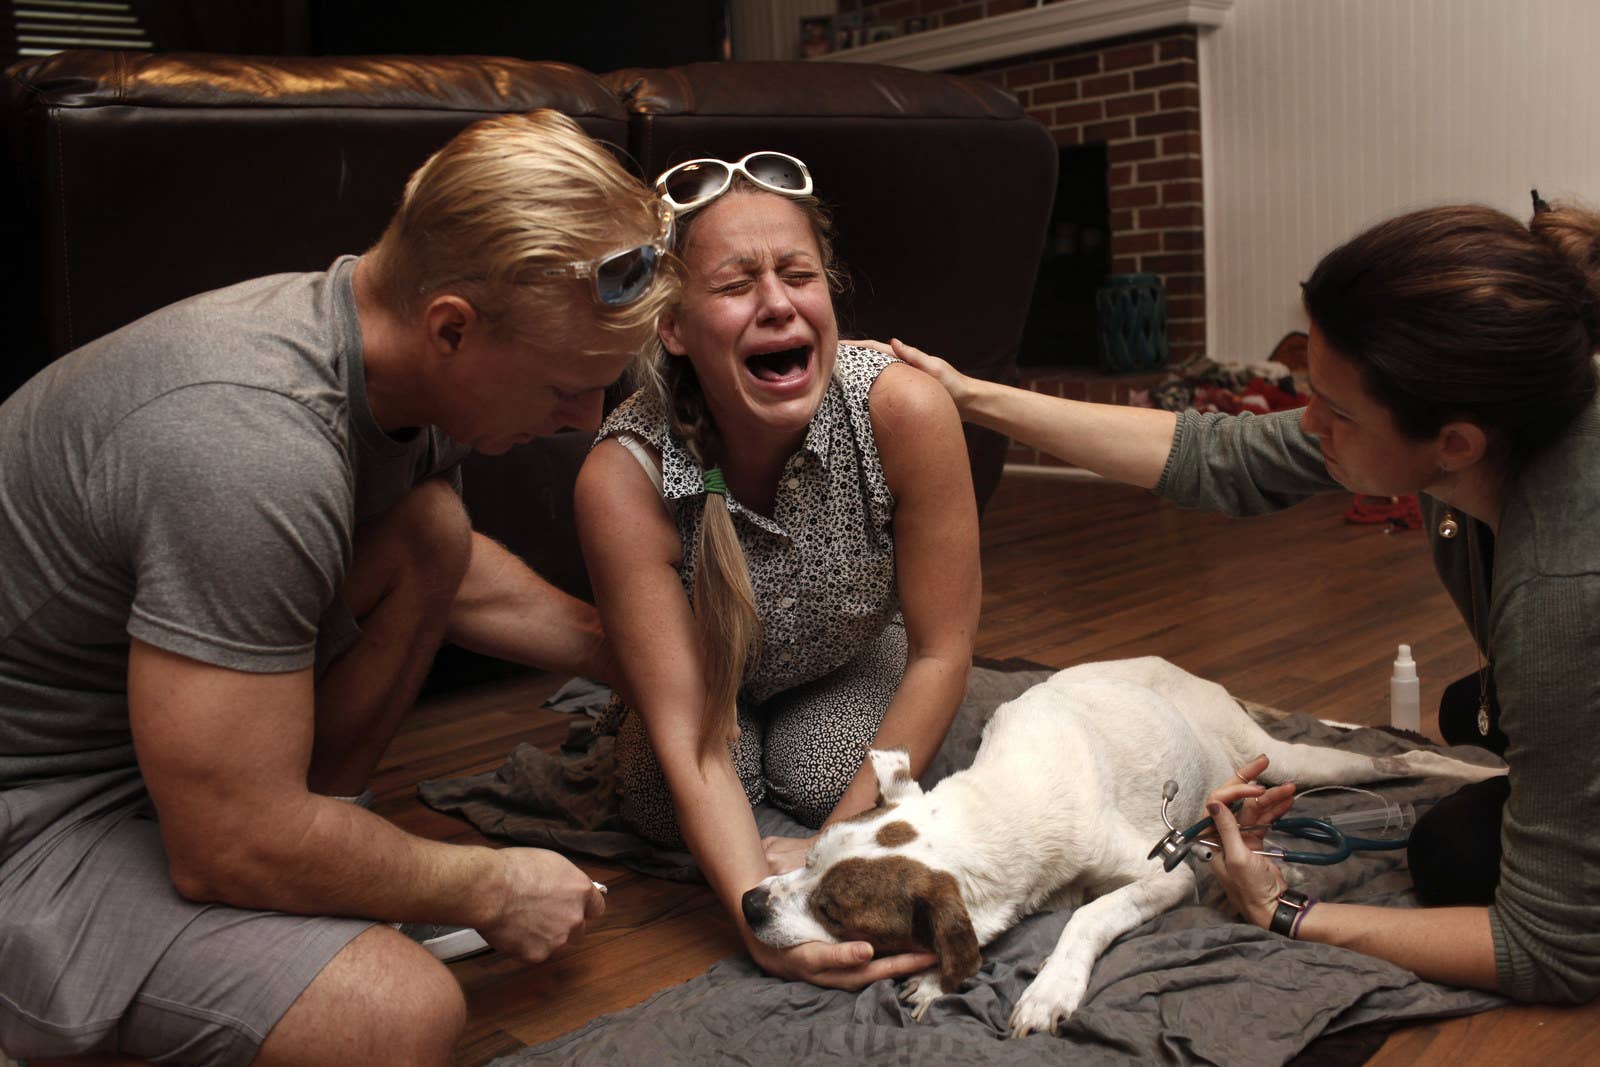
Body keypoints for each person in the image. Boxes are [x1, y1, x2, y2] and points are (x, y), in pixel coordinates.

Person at [0, 110, 679, 1066]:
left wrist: (635, 655)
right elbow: (224, 842)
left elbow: (447, 566)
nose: (583, 419)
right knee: (392, 1013)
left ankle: (296, 857)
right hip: (32, 808)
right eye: (565, 386)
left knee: (431, 529)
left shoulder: (383, 353)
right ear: (452, 327)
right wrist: (487, 886)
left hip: (155, 741)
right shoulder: (246, 442)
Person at [892, 198, 1600, 1005]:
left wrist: (1287, 909)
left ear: (1457, 444)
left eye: (1334, 411)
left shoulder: (1564, 593)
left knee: (1457, 854)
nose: (1308, 424)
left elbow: (1551, 949)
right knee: (1474, 717)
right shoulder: (1508, 414)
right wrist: (968, 395)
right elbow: (1215, 453)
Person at [573, 152, 981, 988]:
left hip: (846, 661)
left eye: (800, 274)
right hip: (703, 692)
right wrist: (761, 913)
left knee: (825, 771)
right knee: (653, 802)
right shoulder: (623, 474)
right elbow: (693, 745)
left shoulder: (904, 410)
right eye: (734, 284)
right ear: (674, 326)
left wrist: (824, 861)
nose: (777, 303)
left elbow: (943, 649)